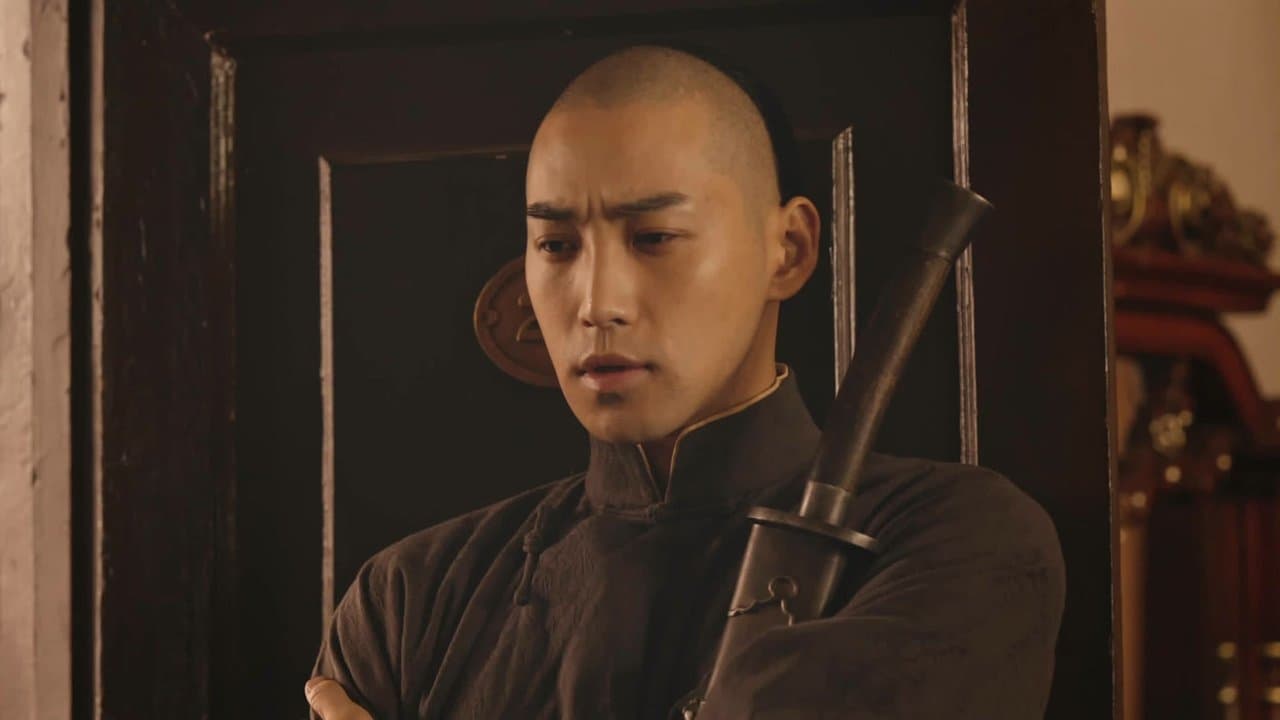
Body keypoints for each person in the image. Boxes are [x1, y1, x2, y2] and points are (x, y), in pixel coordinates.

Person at [305, 45, 1065, 720]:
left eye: (654, 238)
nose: (598, 302)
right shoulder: (411, 599)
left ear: (789, 249)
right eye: (557, 244)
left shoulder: (962, 541)